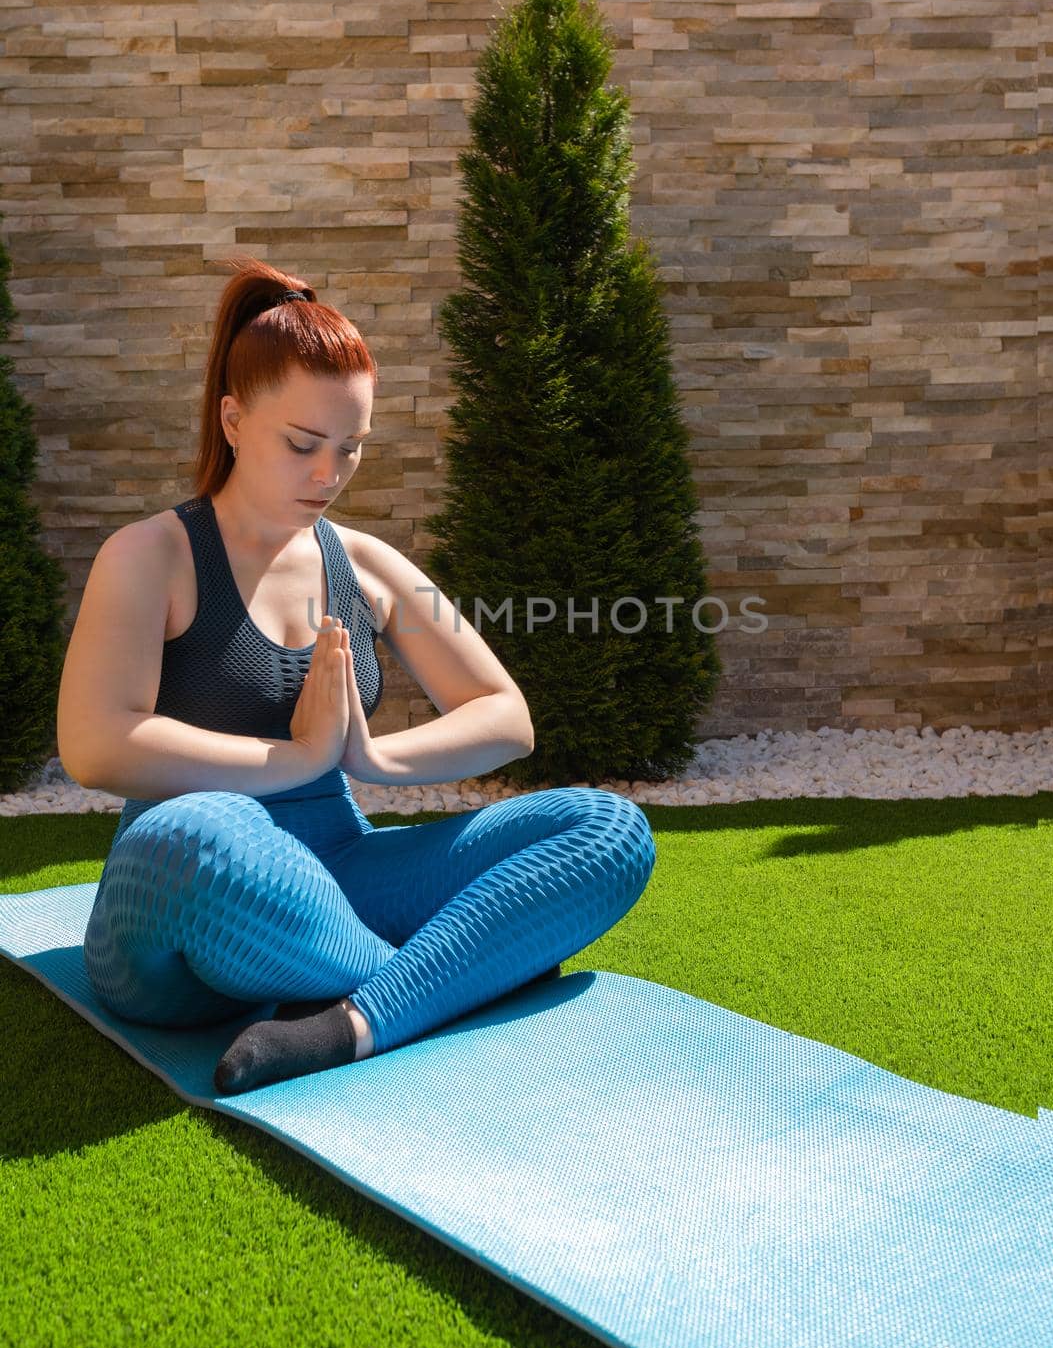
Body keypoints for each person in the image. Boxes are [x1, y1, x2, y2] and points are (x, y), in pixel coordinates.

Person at [56, 258, 658, 1095]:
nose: (328, 475)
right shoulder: (150, 555)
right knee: (198, 834)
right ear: (233, 420)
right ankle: (447, 977)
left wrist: (369, 758)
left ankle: (354, 1021)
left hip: (340, 869)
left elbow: (503, 714)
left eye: (351, 449)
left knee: (604, 829)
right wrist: (296, 760)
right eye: (302, 444)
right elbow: (96, 744)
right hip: (187, 903)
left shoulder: (369, 564)